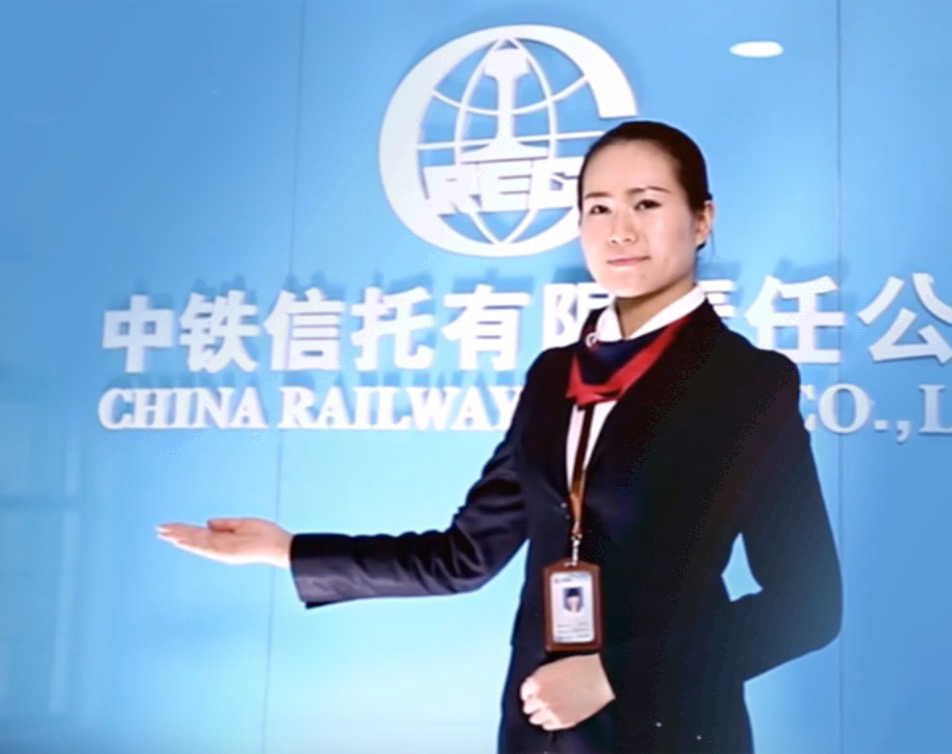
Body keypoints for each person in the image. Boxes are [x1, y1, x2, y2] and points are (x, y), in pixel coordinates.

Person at [158, 120, 842, 754]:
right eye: (598, 208)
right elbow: (463, 555)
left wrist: (613, 676)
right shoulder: (553, 376)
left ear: (702, 220)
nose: (620, 230)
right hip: (536, 731)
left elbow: (808, 607)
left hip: (670, 731)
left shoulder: (747, 383)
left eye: (646, 203)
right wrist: (287, 551)